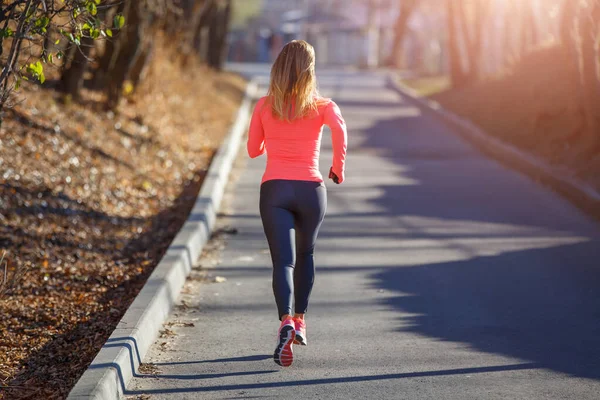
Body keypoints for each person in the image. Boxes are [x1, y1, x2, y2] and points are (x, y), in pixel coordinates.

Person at [247, 40, 348, 367]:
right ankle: (301, 323)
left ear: (278, 68)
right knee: (306, 254)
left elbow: (252, 150)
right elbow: (340, 129)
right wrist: (338, 168)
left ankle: (286, 321)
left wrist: (271, 140)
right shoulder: (323, 105)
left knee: (283, 262)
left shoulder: (264, 105)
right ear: (310, 70)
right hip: (311, 190)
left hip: (275, 189)